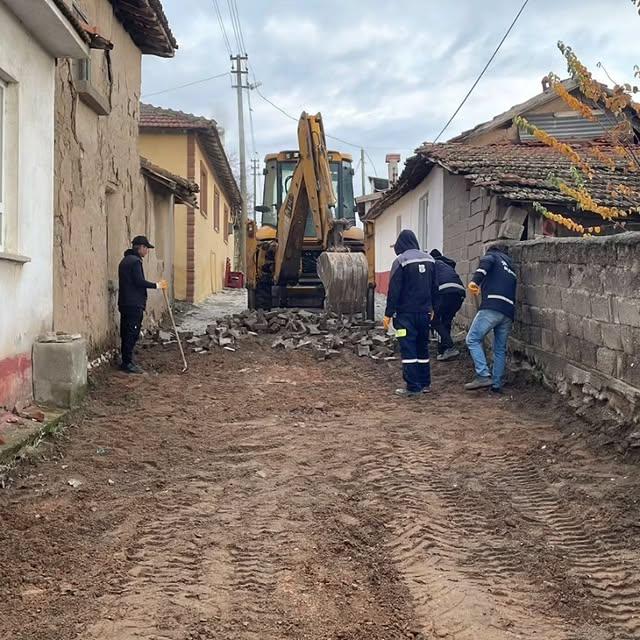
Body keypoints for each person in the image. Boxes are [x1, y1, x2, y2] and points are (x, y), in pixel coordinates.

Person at [383, 230, 438, 398]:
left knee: (408, 349)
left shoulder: (400, 261)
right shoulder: (430, 260)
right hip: (424, 315)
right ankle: (425, 383)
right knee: (422, 347)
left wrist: (388, 314)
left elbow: (394, 290)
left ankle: (413, 387)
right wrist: (433, 308)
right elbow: (434, 287)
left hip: (404, 316)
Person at [464, 243, 517, 393]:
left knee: (472, 339)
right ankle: (496, 384)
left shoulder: (492, 256)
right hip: (508, 311)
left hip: (492, 306)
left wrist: (475, 281)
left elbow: (484, 266)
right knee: (499, 349)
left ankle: (483, 374)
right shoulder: (511, 269)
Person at [118, 235, 167, 374]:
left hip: (125, 303)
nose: (147, 251)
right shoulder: (135, 262)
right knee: (131, 332)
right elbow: (139, 282)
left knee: (126, 332)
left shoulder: (125, 260)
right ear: (140, 247)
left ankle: (126, 360)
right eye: (146, 248)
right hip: (133, 304)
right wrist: (157, 285)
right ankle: (127, 363)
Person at [430, 249, 466, 361]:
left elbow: (430, 286)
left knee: (434, 320)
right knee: (446, 321)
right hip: (459, 293)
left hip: (445, 292)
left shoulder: (432, 264)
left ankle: (450, 347)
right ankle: (444, 350)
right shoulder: (447, 265)